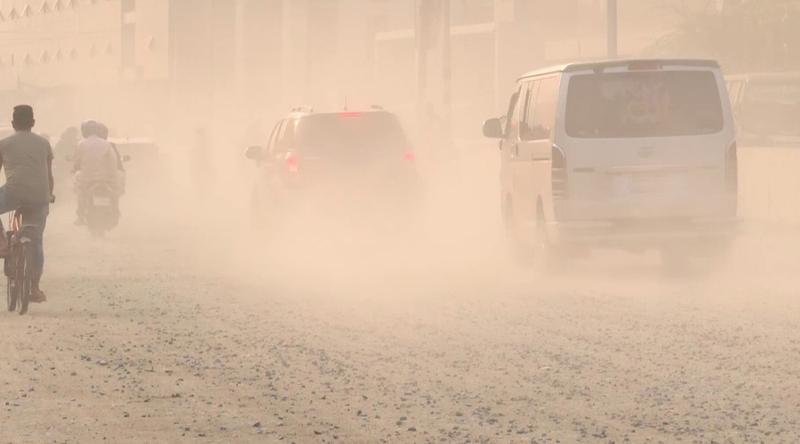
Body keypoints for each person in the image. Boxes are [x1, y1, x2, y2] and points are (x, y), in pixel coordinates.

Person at [0, 105, 55, 303]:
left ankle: (3, 244)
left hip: (13, 193)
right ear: (33, 122)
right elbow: (49, 176)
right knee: (37, 240)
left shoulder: (3, 144)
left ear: (13, 123)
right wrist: (49, 195)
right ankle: (34, 288)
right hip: (39, 196)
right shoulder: (44, 143)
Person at [73, 120, 125, 225]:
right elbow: (113, 161)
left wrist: (75, 169)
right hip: (107, 179)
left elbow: (77, 161)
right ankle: (115, 209)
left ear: (85, 132)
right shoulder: (107, 144)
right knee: (115, 190)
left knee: (79, 189)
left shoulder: (81, 144)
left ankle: (80, 214)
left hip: (87, 178)